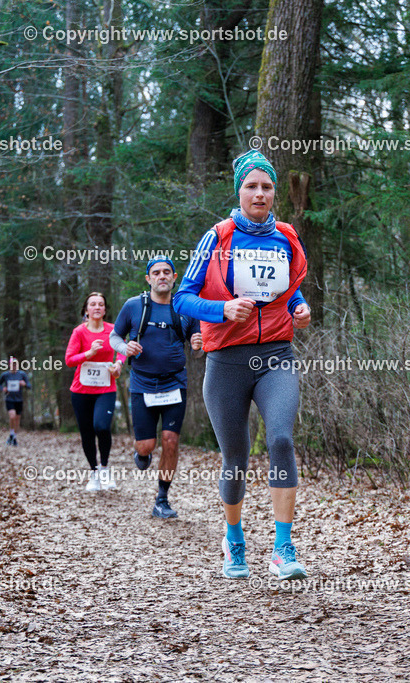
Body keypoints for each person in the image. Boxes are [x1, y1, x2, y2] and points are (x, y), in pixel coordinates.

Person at [175, 149, 312, 580]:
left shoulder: (286, 237)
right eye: (251, 186)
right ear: (239, 190)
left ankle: (282, 547)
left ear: (275, 193)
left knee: (282, 441)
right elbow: (182, 297)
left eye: (267, 187)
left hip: (276, 356)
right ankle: (234, 541)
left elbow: (289, 292)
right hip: (227, 362)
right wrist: (221, 310)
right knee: (235, 457)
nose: (259, 194)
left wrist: (301, 308)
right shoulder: (217, 237)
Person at [109, 256, 203, 518]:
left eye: (167, 272)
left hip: (175, 383)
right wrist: (124, 348)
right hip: (143, 384)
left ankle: (162, 498)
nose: (162, 276)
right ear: (148, 279)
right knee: (146, 446)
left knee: (171, 441)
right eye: (156, 273)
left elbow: (197, 352)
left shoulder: (186, 307)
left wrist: (198, 347)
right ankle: (142, 454)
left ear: (175, 278)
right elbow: (114, 336)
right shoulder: (133, 306)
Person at [65, 292, 126, 492]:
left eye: (101, 304)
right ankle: (93, 473)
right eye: (93, 304)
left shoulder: (112, 330)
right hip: (81, 390)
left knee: (101, 426)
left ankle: (105, 468)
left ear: (105, 309)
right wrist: (88, 354)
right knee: (87, 433)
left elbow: (122, 350)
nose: (97, 307)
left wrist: (118, 364)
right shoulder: (79, 332)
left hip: (106, 388)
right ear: (86, 309)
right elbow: (69, 359)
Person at [0, 357, 30, 446]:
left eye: (15, 364)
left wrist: (25, 384)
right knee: (12, 416)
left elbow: (29, 385)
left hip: (19, 399)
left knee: (17, 420)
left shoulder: (22, 374)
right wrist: (3, 388)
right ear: (9, 365)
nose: (14, 366)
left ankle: (13, 437)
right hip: (9, 399)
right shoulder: (5, 375)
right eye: (12, 364)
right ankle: (12, 435)